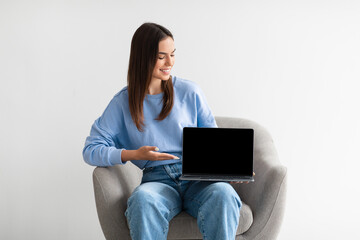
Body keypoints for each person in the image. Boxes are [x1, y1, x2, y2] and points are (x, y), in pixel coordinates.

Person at [83, 22, 242, 240]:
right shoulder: (122, 102)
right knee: (142, 200)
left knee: (224, 194)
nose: (170, 63)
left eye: (173, 54)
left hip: (198, 179)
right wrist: (134, 154)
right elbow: (91, 149)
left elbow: (212, 143)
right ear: (143, 57)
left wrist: (229, 170)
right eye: (161, 56)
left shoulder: (190, 91)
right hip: (157, 181)